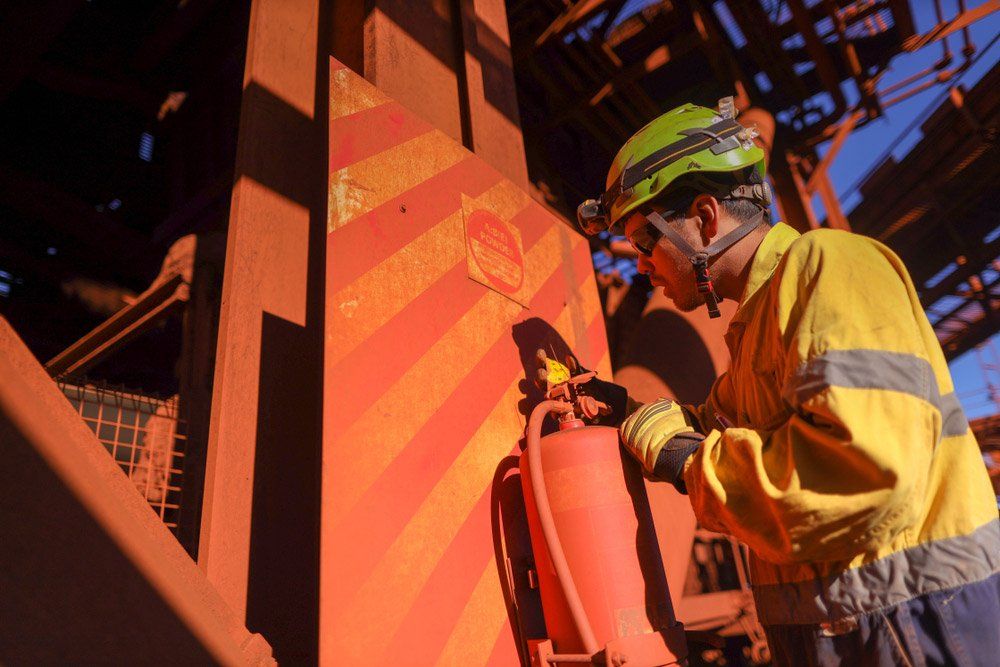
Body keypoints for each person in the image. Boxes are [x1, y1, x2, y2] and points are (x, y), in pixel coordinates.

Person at [577, 99, 1000, 666]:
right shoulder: (753, 334)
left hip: (920, 630)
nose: (641, 265)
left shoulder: (831, 265)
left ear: (705, 219)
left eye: (645, 241)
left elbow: (865, 470)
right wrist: (629, 411)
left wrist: (689, 460)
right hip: (852, 636)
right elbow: (710, 425)